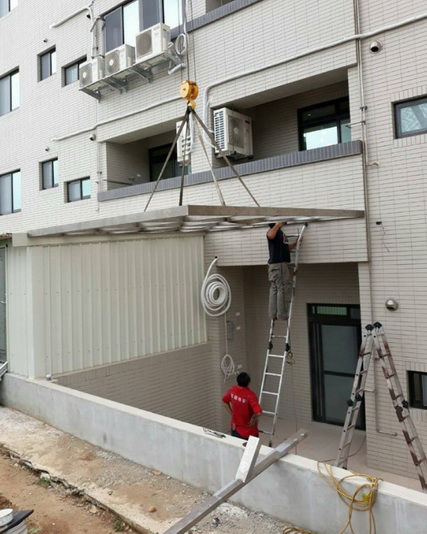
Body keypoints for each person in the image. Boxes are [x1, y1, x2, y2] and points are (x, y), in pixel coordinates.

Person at [266, 222, 297, 321]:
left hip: (275, 265)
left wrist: (295, 244)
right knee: (282, 288)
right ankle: (282, 314)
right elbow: (269, 235)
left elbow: (284, 248)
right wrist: (277, 225)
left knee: (275, 288)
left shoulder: (279, 234)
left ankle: (273, 314)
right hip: (279, 265)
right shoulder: (273, 231)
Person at [222, 372, 262, 440]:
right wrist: (254, 417)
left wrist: (233, 414)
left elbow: (224, 401)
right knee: (250, 450)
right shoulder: (250, 395)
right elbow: (258, 412)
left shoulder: (232, 390)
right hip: (249, 432)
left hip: (235, 429)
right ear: (248, 382)